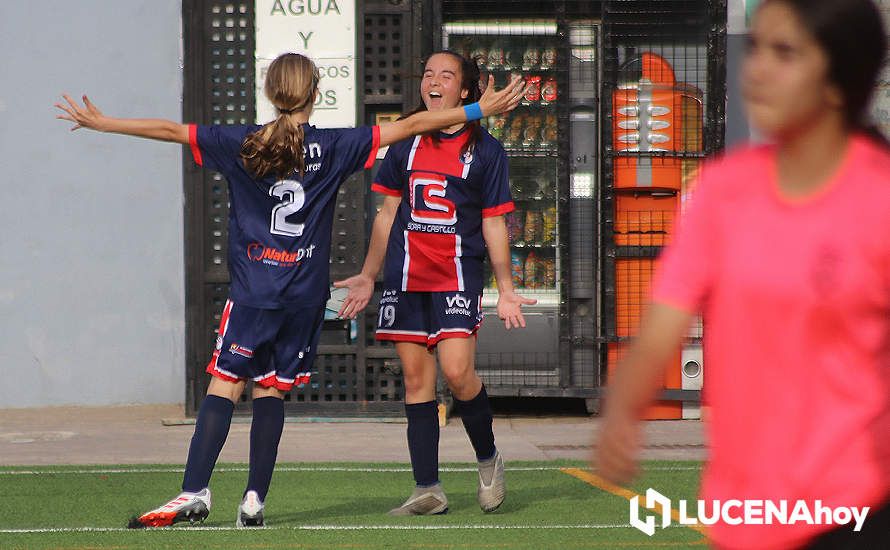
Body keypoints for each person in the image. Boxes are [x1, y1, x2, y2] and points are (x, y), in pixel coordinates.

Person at [55, 52, 525, 528]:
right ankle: (254, 498)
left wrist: (105, 123)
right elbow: (407, 128)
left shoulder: (243, 142)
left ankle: (194, 489)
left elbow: (172, 131)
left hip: (255, 291)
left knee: (226, 383)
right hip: (303, 296)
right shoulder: (335, 145)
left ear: (270, 91)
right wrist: (476, 112)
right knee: (273, 391)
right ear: (315, 93)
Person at [593, 0, 890, 548]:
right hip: (747, 514)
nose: (757, 69)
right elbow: (663, 324)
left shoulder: (878, 198)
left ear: (838, 77)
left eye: (786, 52)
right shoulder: (722, 193)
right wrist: (622, 410)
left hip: (855, 508)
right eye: (756, 48)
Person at [335, 51, 536, 515]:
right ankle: (428, 488)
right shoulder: (406, 140)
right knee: (414, 380)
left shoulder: (485, 151)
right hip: (405, 278)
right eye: (428, 73)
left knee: (458, 371)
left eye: (446, 75)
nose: (434, 80)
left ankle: (488, 459)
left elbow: (493, 224)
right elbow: (386, 216)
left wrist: (505, 287)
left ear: (465, 91)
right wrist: (367, 275)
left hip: (456, 276)